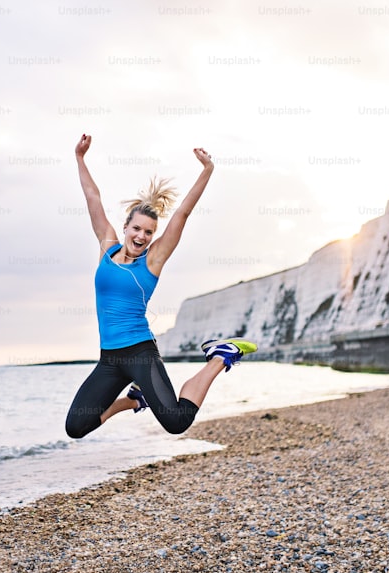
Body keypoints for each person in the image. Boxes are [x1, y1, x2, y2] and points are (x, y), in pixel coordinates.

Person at [64, 133, 257, 439]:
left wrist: (207, 171)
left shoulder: (152, 261)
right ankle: (133, 400)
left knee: (177, 422)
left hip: (141, 353)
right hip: (109, 358)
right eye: (137, 229)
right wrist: (80, 158)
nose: (141, 237)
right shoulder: (107, 248)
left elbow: (182, 213)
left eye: (149, 232)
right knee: (76, 426)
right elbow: (93, 198)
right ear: (125, 227)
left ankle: (221, 355)